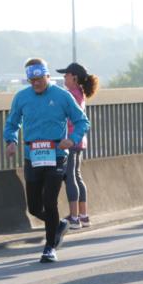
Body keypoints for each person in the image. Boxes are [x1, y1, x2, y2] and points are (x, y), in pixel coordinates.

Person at [4, 58, 89, 263]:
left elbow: (82, 121)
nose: (36, 83)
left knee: (50, 201)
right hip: (32, 156)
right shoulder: (21, 97)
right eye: (32, 80)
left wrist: (72, 139)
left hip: (56, 156)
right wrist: (11, 141)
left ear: (48, 76)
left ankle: (50, 247)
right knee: (34, 207)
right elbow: (12, 123)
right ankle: (58, 225)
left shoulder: (63, 96)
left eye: (39, 79)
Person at [57, 62, 99, 229]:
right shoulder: (80, 93)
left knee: (70, 177)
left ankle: (74, 217)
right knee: (76, 175)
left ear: (74, 77)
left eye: (66, 75)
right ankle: (83, 215)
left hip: (71, 140)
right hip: (80, 140)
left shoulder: (70, 95)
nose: (64, 77)